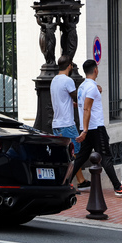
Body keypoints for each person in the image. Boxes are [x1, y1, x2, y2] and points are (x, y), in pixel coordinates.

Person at [73, 59, 122, 196]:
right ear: (95, 70)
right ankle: (118, 187)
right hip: (95, 128)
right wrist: (85, 130)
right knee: (106, 156)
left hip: (88, 128)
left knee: (81, 157)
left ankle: (63, 183)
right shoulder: (91, 87)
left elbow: (84, 106)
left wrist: (84, 130)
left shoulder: (82, 87)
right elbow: (87, 109)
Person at [50, 55, 90, 190]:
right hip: (67, 123)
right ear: (69, 66)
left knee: (68, 153)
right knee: (75, 153)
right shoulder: (68, 81)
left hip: (56, 124)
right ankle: (67, 182)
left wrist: (70, 104)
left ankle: (81, 181)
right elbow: (78, 97)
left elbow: (62, 99)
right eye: (71, 65)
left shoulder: (54, 80)